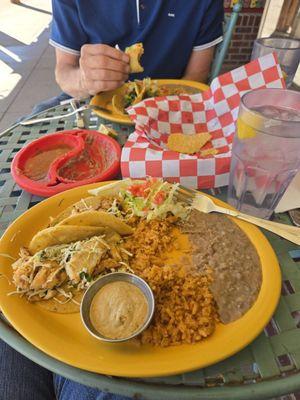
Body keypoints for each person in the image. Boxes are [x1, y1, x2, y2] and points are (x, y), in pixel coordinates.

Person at [50, 0, 224, 99]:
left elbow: (196, 76)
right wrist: (83, 80)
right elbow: (64, 71)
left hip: (171, 103)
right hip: (91, 101)